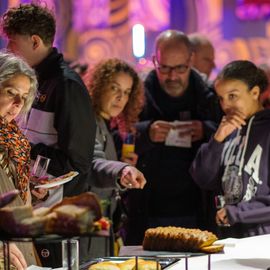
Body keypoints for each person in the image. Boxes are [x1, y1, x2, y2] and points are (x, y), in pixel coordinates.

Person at [1, 3, 146, 265]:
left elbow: (79, 163)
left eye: (12, 42)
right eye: (12, 94)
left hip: (46, 221)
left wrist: (29, 166)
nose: (8, 49)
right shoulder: (33, 79)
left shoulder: (66, 85)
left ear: (34, 41)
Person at [125, 30, 220, 245]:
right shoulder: (136, 93)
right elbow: (115, 136)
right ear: (154, 61)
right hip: (147, 206)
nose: (172, 76)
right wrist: (146, 132)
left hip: (197, 206)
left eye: (180, 68)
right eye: (164, 68)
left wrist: (205, 130)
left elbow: (231, 138)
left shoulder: (210, 94)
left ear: (191, 60)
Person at [190, 60, 270, 238]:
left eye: (233, 96)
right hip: (228, 238)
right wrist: (217, 140)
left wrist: (238, 212)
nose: (225, 105)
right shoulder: (226, 131)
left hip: (263, 241)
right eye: (221, 98)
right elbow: (202, 179)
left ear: (255, 92)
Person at [87, 58, 144, 255]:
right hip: (88, 231)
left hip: (101, 229)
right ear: (99, 85)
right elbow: (92, 163)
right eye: (115, 88)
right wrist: (121, 170)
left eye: (127, 92)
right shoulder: (88, 121)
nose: (121, 97)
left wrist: (121, 167)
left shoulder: (104, 125)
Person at [0, 51, 38, 268]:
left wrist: (32, 194)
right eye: (11, 92)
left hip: (22, 255)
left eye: (23, 98)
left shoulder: (16, 142)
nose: (17, 104)